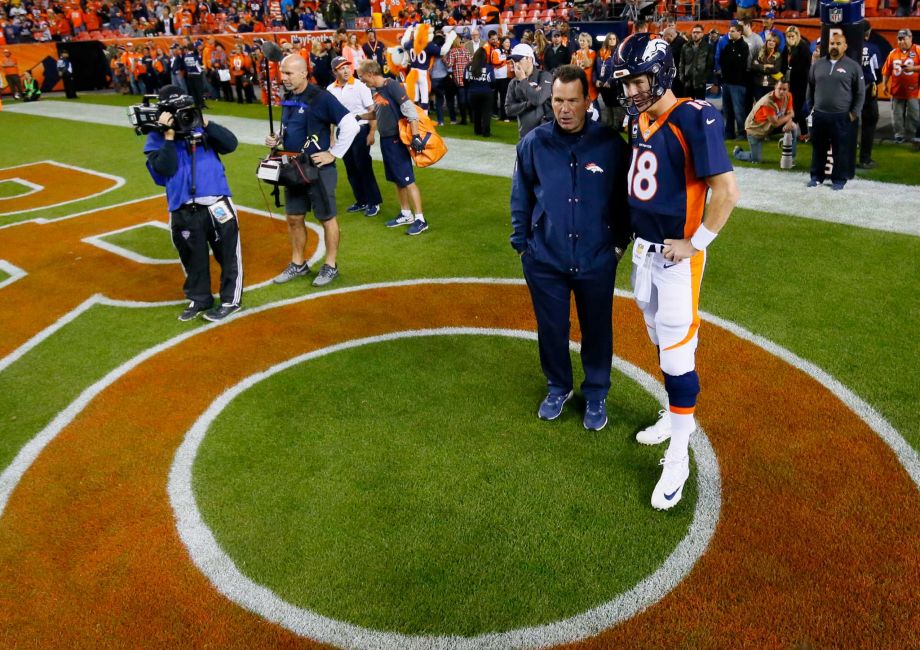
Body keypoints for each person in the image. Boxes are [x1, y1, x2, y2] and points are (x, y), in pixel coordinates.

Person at [612, 33, 739, 510]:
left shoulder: (693, 115)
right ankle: (673, 411)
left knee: (677, 350)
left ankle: (680, 454)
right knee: (659, 338)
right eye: (625, 84)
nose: (630, 92)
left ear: (662, 71)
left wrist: (696, 243)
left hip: (674, 257)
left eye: (637, 81)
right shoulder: (638, 119)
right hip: (646, 253)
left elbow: (726, 191)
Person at [510, 64, 631, 432]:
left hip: (596, 258)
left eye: (572, 101)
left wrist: (618, 246)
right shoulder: (534, 143)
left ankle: (596, 393)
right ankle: (557, 387)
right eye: (558, 100)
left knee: (597, 329)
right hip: (545, 258)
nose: (564, 109)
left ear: (586, 100)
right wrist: (522, 245)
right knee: (551, 329)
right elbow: (521, 196)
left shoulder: (611, 145)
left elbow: (625, 201)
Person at [143, 85, 243, 322]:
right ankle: (200, 299)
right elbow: (165, 169)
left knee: (228, 255)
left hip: (217, 202)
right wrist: (168, 136)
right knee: (192, 257)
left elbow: (231, 144)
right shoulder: (155, 137)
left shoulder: (200, 125)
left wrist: (204, 122)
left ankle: (230, 300)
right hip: (183, 208)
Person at [265, 55, 360, 287]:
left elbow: (351, 124)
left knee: (327, 218)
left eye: (288, 73)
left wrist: (334, 153)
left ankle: (330, 265)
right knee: (294, 217)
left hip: (318, 168)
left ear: (303, 74)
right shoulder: (289, 97)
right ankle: (298, 264)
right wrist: (278, 138)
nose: (283, 77)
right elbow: (294, 127)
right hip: (293, 168)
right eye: (282, 72)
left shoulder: (321, 97)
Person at [356, 59, 429, 236]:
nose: (361, 80)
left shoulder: (392, 85)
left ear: (371, 74)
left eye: (362, 77)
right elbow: (377, 113)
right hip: (386, 140)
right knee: (398, 179)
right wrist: (359, 116)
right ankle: (406, 214)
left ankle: (420, 219)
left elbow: (409, 110)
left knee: (407, 179)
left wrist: (416, 136)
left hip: (397, 140)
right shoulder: (377, 90)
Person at [807, 31, 864, 190]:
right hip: (820, 115)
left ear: (845, 46)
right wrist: (812, 107)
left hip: (841, 117)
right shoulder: (817, 65)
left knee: (840, 150)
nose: (834, 46)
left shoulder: (853, 66)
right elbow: (810, 87)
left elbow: (860, 93)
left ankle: (839, 180)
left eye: (838, 44)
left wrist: (854, 113)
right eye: (832, 43)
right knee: (818, 148)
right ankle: (816, 177)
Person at [326, 56, 383, 217]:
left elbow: (373, 111)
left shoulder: (360, 86)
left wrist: (372, 133)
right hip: (342, 132)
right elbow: (330, 115)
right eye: (341, 68)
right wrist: (331, 136)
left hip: (360, 130)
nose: (345, 70)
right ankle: (361, 200)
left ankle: (374, 202)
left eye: (347, 67)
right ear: (334, 71)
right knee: (351, 168)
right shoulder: (330, 89)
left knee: (363, 166)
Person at [733, 76, 798, 163]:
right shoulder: (768, 102)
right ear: (775, 87)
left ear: (788, 89)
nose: (782, 91)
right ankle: (737, 152)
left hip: (769, 126)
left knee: (793, 127)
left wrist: (789, 122)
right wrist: (790, 116)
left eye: (784, 89)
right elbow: (776, 123)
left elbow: (790, 112)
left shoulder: (788, 96)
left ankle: (790, 158)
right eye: (779, 89)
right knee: (756, 160)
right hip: (755, 129)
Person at [505, 43, 553, 138]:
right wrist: (528, 104)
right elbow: (509, 109)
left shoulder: (544, 76)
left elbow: (538, 99)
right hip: (524, 136)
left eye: (518, 60)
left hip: (545, 135)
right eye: (513, 61)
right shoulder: (513, 82)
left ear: (530, 59)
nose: (516, 64)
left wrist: (523, 81)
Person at [881, 29, 920, 144]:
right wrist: (884, 85)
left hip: (914, 90)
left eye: (904, 39)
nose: (901, 41)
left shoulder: (917, 50)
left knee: (914, 114)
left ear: (910, 38)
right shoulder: (893, 53)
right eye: (899, 39)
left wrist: (913, 69)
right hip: (897, 90)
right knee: (897, 114)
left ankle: (912, 135)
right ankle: (899, 135)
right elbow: (886, 71)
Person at [717, 23, 749, 140]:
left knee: (738, 110)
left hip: (738, 83)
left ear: (740, 32)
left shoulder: (744, 46)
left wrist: (730, 61)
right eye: (730, 31)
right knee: (727, 110)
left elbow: (740, 63)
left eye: (733, 31)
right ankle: (729, 133)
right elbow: (722, 60)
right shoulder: (727, 46)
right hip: (726, 82)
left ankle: (742, 133)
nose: (730, 33)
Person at [858, 21, 882, 169]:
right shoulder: (873, 48)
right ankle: (865, 159)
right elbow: (877, 72)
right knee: (869, 123)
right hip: (867, 90)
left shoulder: (848, 46)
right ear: (868, 32)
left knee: (848, 123)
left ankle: (845, 158)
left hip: (849, 89)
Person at [784, 26, 811, 139]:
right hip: (789, 82)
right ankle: (801, 133)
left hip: (801, 82)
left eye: (792, 36)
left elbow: (806, 66)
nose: (790, 38)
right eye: (788, 36)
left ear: (797, 36)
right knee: (792, 107)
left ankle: (797, 131)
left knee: (796, 107)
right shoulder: (786, 48)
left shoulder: (803, 47)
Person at [465, 45, 495, 137]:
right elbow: (492, 81)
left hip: (472, 93)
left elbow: (465, 79)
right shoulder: (489, 67)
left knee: (476, 112)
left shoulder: (469, 66)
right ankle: (486, 132)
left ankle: (477, 130)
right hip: (486, 92)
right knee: (486, 113)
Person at [680, 24, 714, 101]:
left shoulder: (708, 47)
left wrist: (704, 79)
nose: (695, 34)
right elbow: (681, 63)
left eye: (698, 32)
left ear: (702, 34)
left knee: (699, 105)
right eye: (694, 32)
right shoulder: (685, 46)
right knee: (687, 105)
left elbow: (710, 65)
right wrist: (682, 77)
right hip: (687, 82)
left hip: (700, 83)